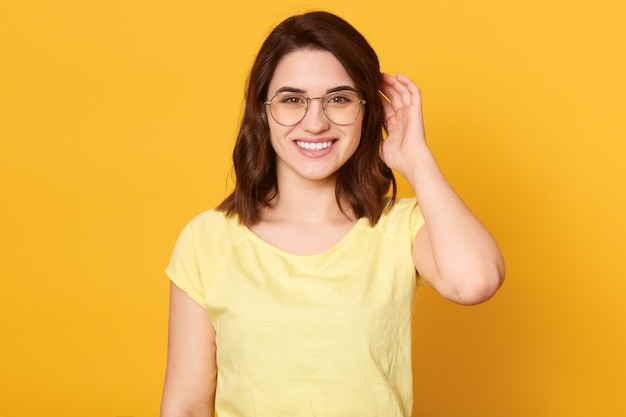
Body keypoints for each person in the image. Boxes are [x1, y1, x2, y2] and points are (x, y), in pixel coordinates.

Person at [160, 11, 504, 417]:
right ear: (262, 111)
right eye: (292, 100)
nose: (316, 122)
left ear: (367, 110)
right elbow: (186, 405)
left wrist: (416, 158)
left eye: (338, 99)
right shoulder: (207, 239)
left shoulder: (400, 227)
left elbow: (477, 281)